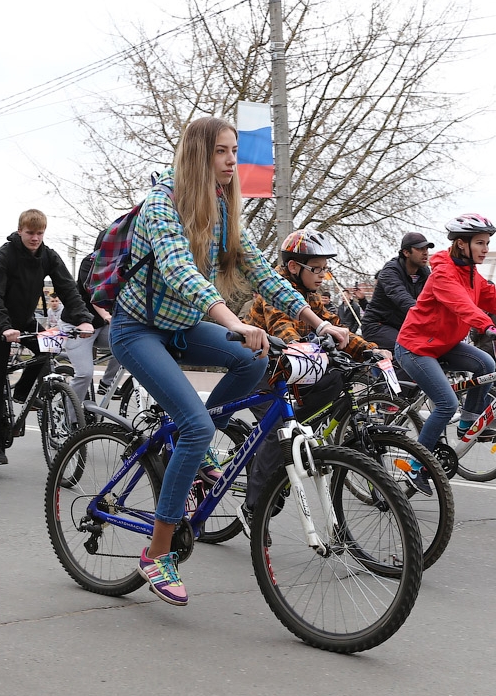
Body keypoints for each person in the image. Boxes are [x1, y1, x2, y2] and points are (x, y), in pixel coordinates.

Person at [109, 116, 339, 606]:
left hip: (182, 323)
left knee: (251, 363)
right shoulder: (162, 202)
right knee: (194, 425)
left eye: (234, 151)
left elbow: (262, 272)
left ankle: (188, 453)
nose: (233, 160)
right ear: (198, 154)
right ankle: (157, 552)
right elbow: (177, 270)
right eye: (221, 151)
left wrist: (320, 324)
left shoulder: (222, 207)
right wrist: (231, 321)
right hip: (137, 328)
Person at [394, 214, 496, 496]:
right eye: (480, 242)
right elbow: (459, 304)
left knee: (487, 364)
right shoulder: (443, 273)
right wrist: (487, 326)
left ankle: (468, 422)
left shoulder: (472, 276)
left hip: (444, 344)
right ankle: (415, 466)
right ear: (460, 244)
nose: (486, 248)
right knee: (445, 403)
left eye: (488, 243)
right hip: (415, 346)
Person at [239, 229, 377, 537]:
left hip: (289, 370)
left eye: (325, 267)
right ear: (293, 267)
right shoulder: (273, 290)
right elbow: (282, 327)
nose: (323, 275)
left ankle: (286, 456)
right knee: (278, 435)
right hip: (256, 367)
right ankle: (253, 508)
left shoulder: (312, 296)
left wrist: (367, 349)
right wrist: (307, 345)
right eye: (316, 268)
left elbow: (336, 328)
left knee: (335, 380)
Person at [0, 209, 94, 465]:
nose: (35, 238)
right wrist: (4, 327)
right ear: (20, 230)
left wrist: (84, 318)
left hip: (25, 322)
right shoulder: (3, 256)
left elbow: (67, 288)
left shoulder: (48, 256)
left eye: (39, 233)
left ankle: (21, 393)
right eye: (30, 233)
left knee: (47, 350)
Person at [62, 251, 120, 404]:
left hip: (99, 327)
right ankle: (68, 415)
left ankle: (106, 383)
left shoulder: (122, 262)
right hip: (76, 326)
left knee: (128, 339)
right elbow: (94, 293)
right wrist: (107, 316)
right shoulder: (89, 263)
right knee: (85, 374)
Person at [361, 231, 434, 351]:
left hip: (402, 326)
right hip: (378, 325)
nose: (425, 252)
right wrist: (427, 318)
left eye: (426, 248)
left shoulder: (425, 273)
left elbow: (436, 296)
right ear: (406, 252)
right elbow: (402, 298)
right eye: (420, 249)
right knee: (406, 350)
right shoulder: (390, 271)